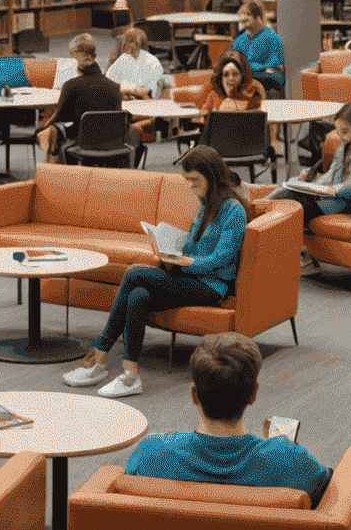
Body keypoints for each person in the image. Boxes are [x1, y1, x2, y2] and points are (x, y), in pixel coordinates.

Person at [62, 147, 247, 398]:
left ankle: (99, 357)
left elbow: (221, 258)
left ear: (211, 176)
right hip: (191, 277)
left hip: (212, 286)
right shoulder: (205, 205)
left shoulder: (233, 210)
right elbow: (193, 245)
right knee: (138, 296)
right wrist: (168, 251)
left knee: (134, 273)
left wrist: (186, 262)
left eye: (194, 180)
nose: (190, 186)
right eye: (187, 180)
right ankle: (130, 376)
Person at [121, 332, 332, 504]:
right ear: (253, 394)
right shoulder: (286, 459)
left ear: (194, 395)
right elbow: (332, 494)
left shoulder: (152, 452)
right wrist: (277, 449)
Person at [271, 100, 351, 272]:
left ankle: (256, 215)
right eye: (337, 130)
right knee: (289, 190)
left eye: (344, 131)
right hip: (333, 198)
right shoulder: (348, 144)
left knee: (293, 202)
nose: (340, 136)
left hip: (350, 204)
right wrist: (310, 184)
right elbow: (331, 175)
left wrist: (328, 190)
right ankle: (257, 211)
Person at [36, 32, 132, 162]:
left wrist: (42, 128)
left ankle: (50, 177)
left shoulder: (71, 85)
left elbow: (59, 117)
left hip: (84, 144)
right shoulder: (114, 87)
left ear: (82, 56)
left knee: (50, 132)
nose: (71, 59)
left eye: (72, 55)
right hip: (113, 144)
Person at [231, 0, 285, 99]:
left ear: (257, 17)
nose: (243, 23)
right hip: (246, 72)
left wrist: (249, 66)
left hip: (264, 77)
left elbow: (274, 67)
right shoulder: (241, 38)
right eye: (242, 20)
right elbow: (231, 57)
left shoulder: (271, 37)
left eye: (247, 18)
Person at [106, 27, 171, 100]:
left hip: (145, 103)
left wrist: (129, 89)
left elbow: (151, 93)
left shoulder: (152, 61)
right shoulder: (124, 58)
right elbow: (109, 82)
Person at [199, 50, 264, 115]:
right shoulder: (213, 94)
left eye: (235, 74)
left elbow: (260, 119)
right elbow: (201, 117)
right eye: (226, 74)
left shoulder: (255, 89)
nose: (230, 78)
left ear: (243, 76)